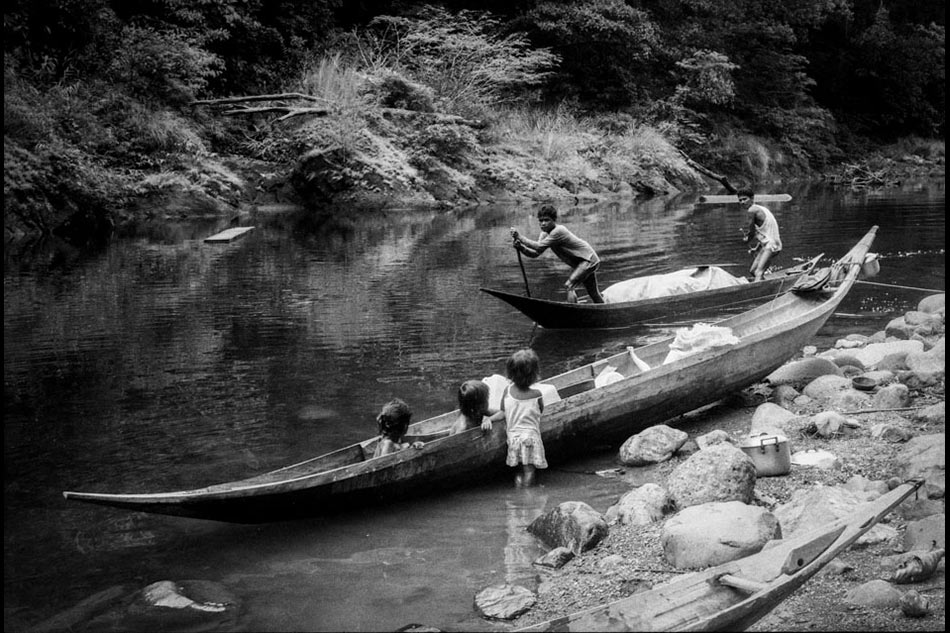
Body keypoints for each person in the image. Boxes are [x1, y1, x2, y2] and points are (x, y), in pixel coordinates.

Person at [509, 205, 604, 304]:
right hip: (583, 262)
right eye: (541, 221)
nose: (543, 223)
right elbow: (535, 253)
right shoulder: (544, 234)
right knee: (593, 292)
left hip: (588, 259)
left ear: (554, 220)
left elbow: (538, 246)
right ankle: (604, 312)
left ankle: (573, 313)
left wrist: (520, 237)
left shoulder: (558, 231)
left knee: (569, 286)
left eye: (546, 220)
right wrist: (521, 247)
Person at [486, 348, 548, 486]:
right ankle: (526, 495)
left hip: (513, 439)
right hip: (530, 439)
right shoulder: (537, 394)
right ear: (534, 375)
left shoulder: (507, 391)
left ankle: (519, 485)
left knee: (520, 468)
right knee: (529, 470)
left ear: (510, 374)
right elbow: (541, 411)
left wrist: (489, 418)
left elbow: (502, 412)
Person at [739, 188, 782, 281]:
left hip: (772, 245)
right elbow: (766, 233)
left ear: (752, 198)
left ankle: (755, 292)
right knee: (753, 270)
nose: (742, 202)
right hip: (769, 244)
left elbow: (751, 232)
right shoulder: (760, 208)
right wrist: (757, 248)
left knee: (758, 272)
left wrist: (746, 240)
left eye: (744, 199)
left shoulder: (752, 210)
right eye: (740, 200)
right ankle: (765, 285)